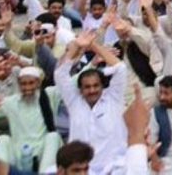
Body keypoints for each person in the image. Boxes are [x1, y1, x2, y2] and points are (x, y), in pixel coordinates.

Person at [54, 31, 128, 174]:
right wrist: (76, 45)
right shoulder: (74, 102)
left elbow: (121, 68)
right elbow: (60, 74)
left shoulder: (113, 98)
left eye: (96, 86)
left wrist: (93, 45)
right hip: (82, 169)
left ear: (102, 86)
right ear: (80, 90)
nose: (92, 90)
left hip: (115, 168)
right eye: (87, 87)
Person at [0, 66, 62, 172]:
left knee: (53, 137)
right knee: (2, 139)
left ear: (38, 83)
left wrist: (92, 64)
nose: (27, 87)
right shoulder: (11, 102)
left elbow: (73, 83)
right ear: (19, 85)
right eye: (23, 84)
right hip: (18, 155)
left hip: (43, 153)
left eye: (31, 83)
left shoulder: (49, 95)